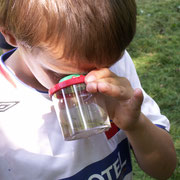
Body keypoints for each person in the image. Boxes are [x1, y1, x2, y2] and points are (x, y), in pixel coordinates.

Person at [0, 0, 176, 180]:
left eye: (102, 68)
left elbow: (164, 170)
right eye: (63, 76)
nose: (89, 84)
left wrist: (136, 124)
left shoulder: (114, 68)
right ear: (11, 36)